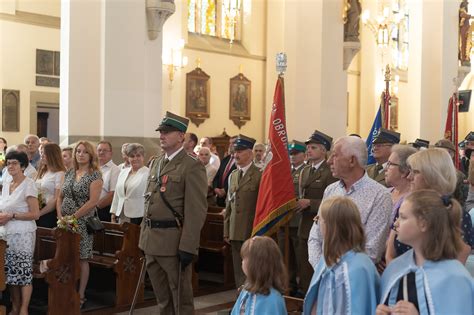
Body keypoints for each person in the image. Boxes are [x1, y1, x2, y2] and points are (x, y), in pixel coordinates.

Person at [139, 112, 207, 315]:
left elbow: (196, 211)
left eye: (167, 132)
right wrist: (143, 238)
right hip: (152, 241)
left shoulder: (192, 166)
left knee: (181, 299)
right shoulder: (156, 163)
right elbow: (148, 201)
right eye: (161, 132)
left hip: (173, 243)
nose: (162, 136)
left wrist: (188, 246)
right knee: (162, 299)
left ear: (181, 136)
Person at [377, 190, 474, 315]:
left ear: (423, 223)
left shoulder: (455, 278)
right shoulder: (396, 268)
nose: (396, 223)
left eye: (403, 217)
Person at [308, 136, 392, 268]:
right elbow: (315, 236)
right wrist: (322, 269)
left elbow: (372, 250)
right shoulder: (331, 190)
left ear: (352, 160)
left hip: (355, 278)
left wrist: (339, 273)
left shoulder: (379, 195)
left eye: (334, 156)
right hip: (324, 273)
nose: (329, 161)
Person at [394, 148, 474, 263]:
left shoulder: (456, 214)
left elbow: (456, 265)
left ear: (432, 175)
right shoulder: (407, 207)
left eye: (415, 172)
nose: (409, 177)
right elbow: (390, 254)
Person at [304, 197, 379, 315]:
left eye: (319, 220)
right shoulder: (327, 260)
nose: (318, 225)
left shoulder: (360, 268)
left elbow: (359, 308)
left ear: (331, 226)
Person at [57, 141, 103, 308]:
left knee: (82, 258)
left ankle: (81, 294)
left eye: (85, 152)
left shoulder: (95, 175)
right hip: (65, 222)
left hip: (82, 223)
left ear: (91, 155)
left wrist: (73, 217)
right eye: (78, 151)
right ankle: (66, 291)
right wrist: (61, 216)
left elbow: (93, 202)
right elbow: (60, 197)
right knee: (66, 257)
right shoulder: (69, 173)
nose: (81, 154)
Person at [295, 130, 337, 294]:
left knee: (316, 269)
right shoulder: (305, 171)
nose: (308, 150)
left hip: (320, 225)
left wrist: (311, 203)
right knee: (304, 268)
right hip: (303, 225)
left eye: (313, 147)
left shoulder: (329, 172)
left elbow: (333, 200)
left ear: (324, 150)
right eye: (308, 147)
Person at [0, 151, 40, 315]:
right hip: (6, 234)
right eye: (9, 163)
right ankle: (15, 306)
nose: (11, 166)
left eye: (15, 163)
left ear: (23, 166)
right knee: (11, 274)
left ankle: (24, 309)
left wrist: (12, 215)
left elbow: (35, 214)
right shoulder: (6, 183)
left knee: (22, 273)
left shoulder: (28, 184)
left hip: (23, 235)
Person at [224, 134, 262, 288]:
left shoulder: (259, 175)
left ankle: (254, 298)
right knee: (238, 269)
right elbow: (229, 205)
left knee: (252, 267)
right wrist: (226, 230)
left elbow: (261, 206)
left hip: (250, 229)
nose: (236, 155)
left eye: (240, 151)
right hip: (234, 230)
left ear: (250, 153)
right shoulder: (233, 175)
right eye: (235, 151)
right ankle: (240, 299)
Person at [277, 140, 306, 296]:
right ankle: (287, 284)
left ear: (303, 154)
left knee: (299, 258)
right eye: (291, 154)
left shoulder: (305, 171)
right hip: (284, 221)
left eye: (296, 154)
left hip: (297, 220)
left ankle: (300, 287)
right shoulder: (286, 171)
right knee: (284, 257)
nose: (293, 157)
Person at [231, 236, 288, 315]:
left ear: (257, 264)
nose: (242, 262)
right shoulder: (245, 291)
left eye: (244, 258)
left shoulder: (273, 300)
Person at [384, 145, 417, 264]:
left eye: (390, 164)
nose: (385, 168)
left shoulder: (412, 200)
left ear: (404, 171)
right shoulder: (384, 193)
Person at [110, 143, 149, 224]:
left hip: (139, 216)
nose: (135, 158)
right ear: (128, 158)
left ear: (143, 157)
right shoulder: (123, 172)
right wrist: (113, 213)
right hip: (121, 214)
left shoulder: (148, 173)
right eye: (132, 156)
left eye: (138, 155)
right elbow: (117, 194)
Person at [35, 143, 66, 228]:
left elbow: (56, 198)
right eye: (41, 153)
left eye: (44, 154)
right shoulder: (42, 171)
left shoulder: (60, 173)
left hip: (48, 212)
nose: (42, 156)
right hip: (37, 209)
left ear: (52, 155)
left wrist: (39, 213)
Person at [435, 139, 468, 205]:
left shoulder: (459, 176)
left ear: (451, 155)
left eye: (441, 153)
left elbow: (462, 202)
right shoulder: (429, 172)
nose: (437, 156)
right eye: (435, 152)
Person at [96, 141, 120, 222]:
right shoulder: (93, 168)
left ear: (111, 153)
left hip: (102, 210)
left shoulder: (115, 169)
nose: (101, 152)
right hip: (88, 209)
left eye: (105, 150)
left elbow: (112, 194)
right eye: (99, 150)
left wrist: (95, 207)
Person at [212, 136, 237, 207]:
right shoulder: (225, 159)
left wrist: (225, 190)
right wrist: (215, 188)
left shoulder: (240, 161)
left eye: (233, 143)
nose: (231, 145)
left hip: (231, 197)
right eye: (230, 143)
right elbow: (217, 176)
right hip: (220, 198)